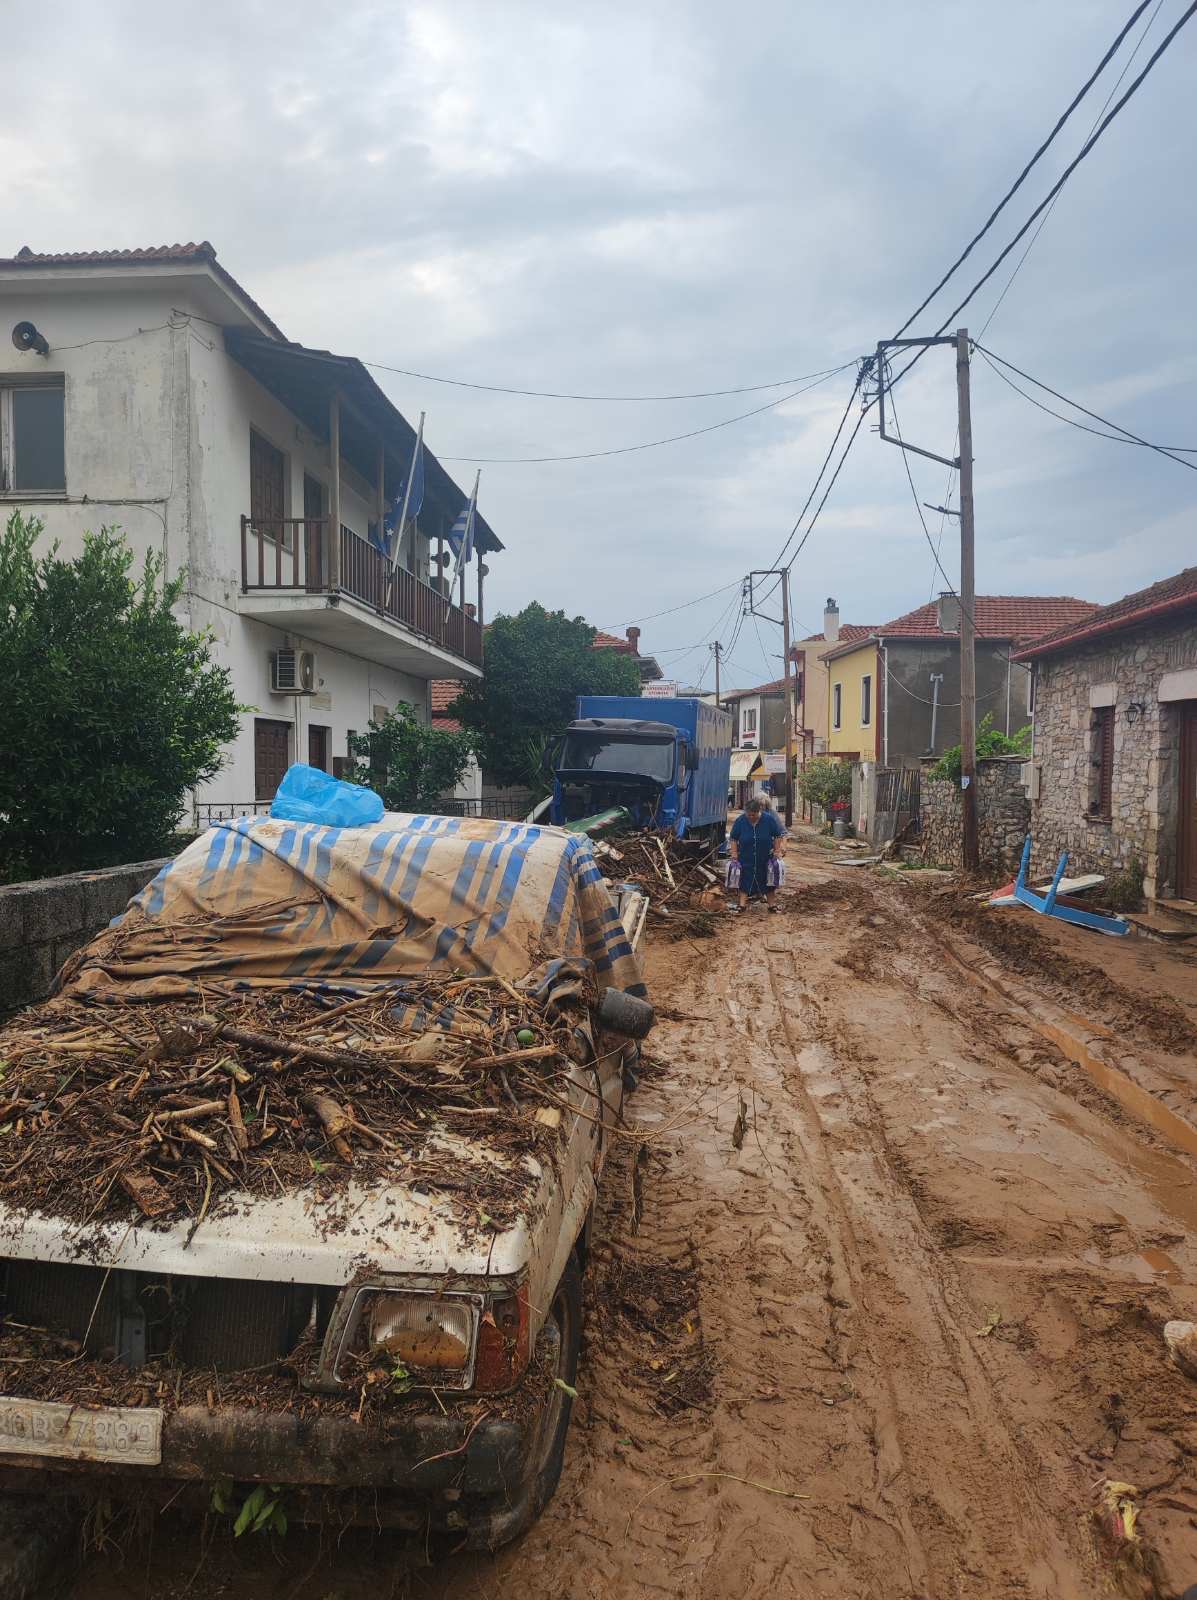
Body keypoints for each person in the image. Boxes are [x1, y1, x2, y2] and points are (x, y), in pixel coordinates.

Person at [728, 795, 785, 912]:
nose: (751, 817)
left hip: (764, 857)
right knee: (744, 879)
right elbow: (733, 838)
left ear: (759, 811)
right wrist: (734, 853)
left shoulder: (769, 819)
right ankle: (742, 905)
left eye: (754, 815)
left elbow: (778, 836)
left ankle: (771, 905)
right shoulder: (740, 821)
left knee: (769, 881)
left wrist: (777, 851)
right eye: (748, 815)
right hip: (745, 856)